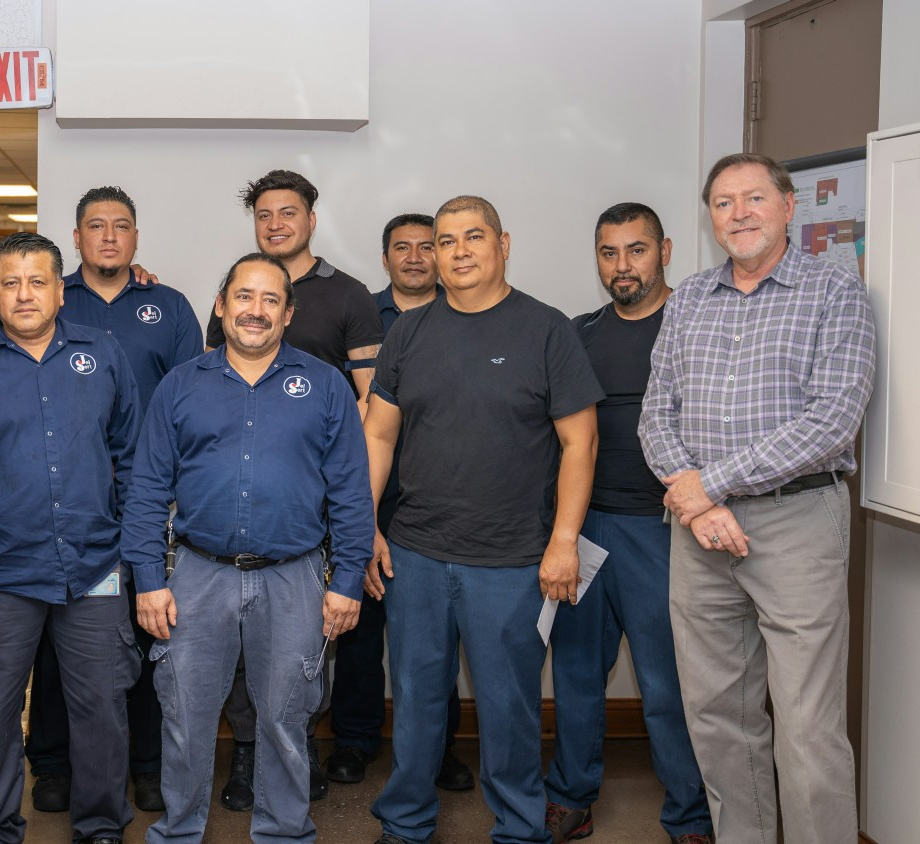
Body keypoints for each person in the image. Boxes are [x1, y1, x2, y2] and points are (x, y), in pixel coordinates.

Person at [640, 153, 875, 844]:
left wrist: (712, 484)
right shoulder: (687, 298)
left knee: (807, 727)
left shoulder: (835, 292)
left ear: (788, 206)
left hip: (797, 519)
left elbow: (833, 418)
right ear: (709, 216)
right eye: (722, 202)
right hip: (697, 529)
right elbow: (657, 413)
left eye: (753, 199)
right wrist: (699, 504)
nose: (738, 213)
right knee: (716, 714)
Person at [365, 195, 602, 844]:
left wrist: (563, 543)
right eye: (445, 241)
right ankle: (406, 824)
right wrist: (365, 527)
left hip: (512, 560)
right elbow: (378, 436)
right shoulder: (408, 334)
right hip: (415, 554)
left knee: (509, 710)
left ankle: (520, 829)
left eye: (474, 237)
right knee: (414, 704)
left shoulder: (546, 330)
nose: (459, 251)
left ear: (503, 243)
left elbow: (581, 443)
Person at [125, 251, 370, 844]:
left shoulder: (326, 386)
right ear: (221, 304)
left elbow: (351, 493)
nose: (254, 311)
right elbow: (147, 488)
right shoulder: (181, 386)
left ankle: (284, 832)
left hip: (295, 575)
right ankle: (179, 831)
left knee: (287, 717)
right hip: (196, 574)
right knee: (184, 714)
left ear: (288, 314)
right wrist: (147, 580)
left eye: (269, 300)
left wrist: (347, 581)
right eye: (243, 296)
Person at [0, 232, 141, 844]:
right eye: (11, 283)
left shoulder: (102, 354)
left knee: (101, 708)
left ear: (60, 290)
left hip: (95, 566)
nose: (25, 294)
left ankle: (101, 826)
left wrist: (127, 550)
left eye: (38, 281)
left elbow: (134, 457)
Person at [206, 168, 386, 809]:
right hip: (239, 506)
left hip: (314, 509)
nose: (276, 223)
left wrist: (364, 516)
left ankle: (298, 742)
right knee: (242, 652)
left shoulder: (351, 296)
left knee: (306, 646)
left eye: (288, 212)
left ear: (312, 218)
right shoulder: (234, 291)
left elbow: (373, 409)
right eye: (264, 215)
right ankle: (250, 752)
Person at [26, 186, 202, 815]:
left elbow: (193, 399)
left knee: (148, 632)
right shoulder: (44, 296)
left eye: (120, 226)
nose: (108, 236)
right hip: (60, 503)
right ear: (75, 238)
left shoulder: (170, 306)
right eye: (94, 226)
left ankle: (146, 764)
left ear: (135, 237)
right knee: (54, 637)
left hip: (149, 501)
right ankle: (53, 763)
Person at [545, 202, 712, 844]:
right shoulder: (579, 334)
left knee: (668, 683)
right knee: (578, 675)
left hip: (661, 531)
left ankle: (689, 816)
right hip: (584, 530)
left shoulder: (693, 327)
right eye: (609, 252)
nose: (623, 265)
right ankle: (570, 797)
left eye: (636, 250)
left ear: (665, 251)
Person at [327, 213, 473, 793]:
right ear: (384, 258)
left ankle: (439, 751)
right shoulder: (363, 316)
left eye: (425, 246)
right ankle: (355, 741)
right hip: (367, 492)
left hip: (441, 499)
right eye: (401, 248)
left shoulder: (466, 316)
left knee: (440, 636)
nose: (414, 257)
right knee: (360, 629)